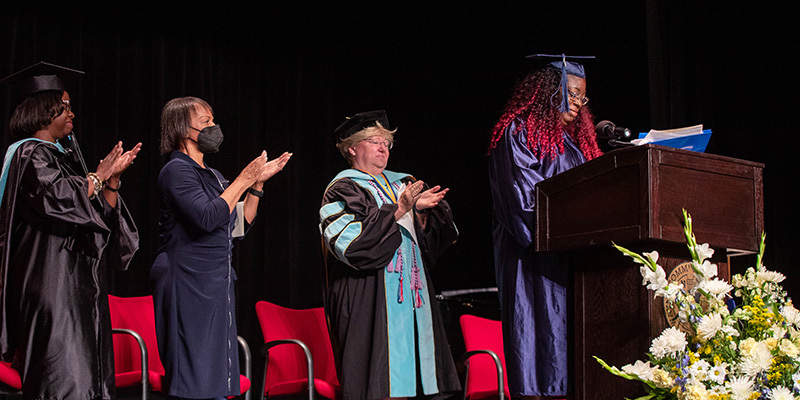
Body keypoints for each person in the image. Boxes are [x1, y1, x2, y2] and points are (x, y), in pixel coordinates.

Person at [0, 62, 141, 399]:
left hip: (74, 284)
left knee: (87, 377)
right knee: (62, 377)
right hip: (48, 283)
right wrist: (95, 178)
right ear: (45, 109)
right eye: (65, 106)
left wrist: (112, 182)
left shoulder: (60, 159)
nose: (71, 113)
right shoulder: (27, 155)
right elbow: (58, 198)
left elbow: (94, 216)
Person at [150, 96, 291, 399]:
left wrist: (257, 185)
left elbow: (235, 224)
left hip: (214, 282)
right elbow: (207, 217)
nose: (214, 127)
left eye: (213, 120)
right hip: (187, 280)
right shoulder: (176, 170)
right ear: (183, 129)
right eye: (205, 122)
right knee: (193, 378)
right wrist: (243, 179)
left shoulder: (212, 175)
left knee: (215, 379)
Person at [319, 110, 460, 400]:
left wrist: (421, 211)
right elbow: (352, 246)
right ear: (352, 148)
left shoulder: (401, 183)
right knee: (379, 381)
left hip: (411, 293)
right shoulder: (342, 189)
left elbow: (431, 242)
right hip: (367, 294)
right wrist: (398, 209)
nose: (383, 147)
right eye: (374, 141)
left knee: (412, 383)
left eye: (387, 142)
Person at [487, 54, 603, 399]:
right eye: (571, 93)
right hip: (533, 262)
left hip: (573, 261)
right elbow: (523, 206)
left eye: (582, 97)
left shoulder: (576, 144)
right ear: (547, 92)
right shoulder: (518, 133)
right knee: (542, 350)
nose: (578, 103)